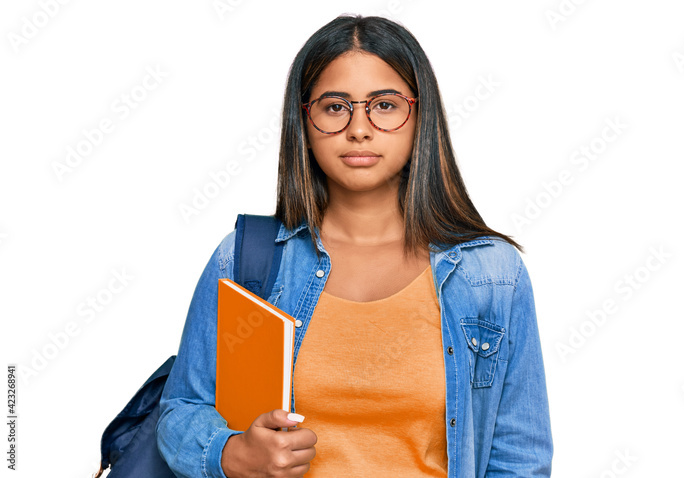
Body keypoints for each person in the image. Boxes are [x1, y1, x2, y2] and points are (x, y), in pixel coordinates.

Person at [155, 13, 553, 478]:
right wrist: (230, 454)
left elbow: (519, 457)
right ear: (303, 121)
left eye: (384, 105)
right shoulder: (250, 261)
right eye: (334, 106)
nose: (358, 129)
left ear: (419, 116)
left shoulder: (491, 274)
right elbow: (181, 410)